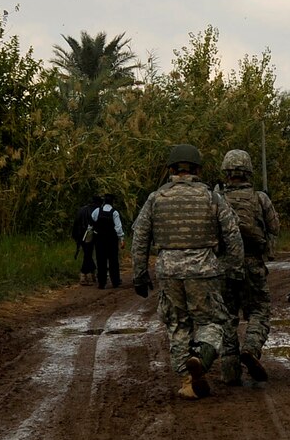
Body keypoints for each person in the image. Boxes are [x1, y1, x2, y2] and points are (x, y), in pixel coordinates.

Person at [130, 144, 242, 399]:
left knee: (177, 324)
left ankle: (187, 380)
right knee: (213, 322)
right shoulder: (211, 197)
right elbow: (232, 234)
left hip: (168, 271)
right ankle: (201, 358)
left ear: (170, 169)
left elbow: (140, 237)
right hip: (203, 270)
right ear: (198, 170)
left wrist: (139, 274)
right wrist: (232, 267)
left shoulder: (156, 198)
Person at [215, 149, 278, 387]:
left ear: (227, 172)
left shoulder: (216, 198)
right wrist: (268, 253)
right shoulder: (260, 198)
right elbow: (274, 227)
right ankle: (251, 348)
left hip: (224, 266)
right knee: (259, 311)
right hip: (252, 264)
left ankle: (230, 370)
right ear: (248, 171)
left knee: (226, 317)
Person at [90, 194, 125, 289]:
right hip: (111, 240)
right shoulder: (114, 212)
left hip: (99, 240)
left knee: (101, 261)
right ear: (112, 202)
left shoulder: (97, 211)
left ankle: (102, 283)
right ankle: (115, 281)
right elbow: (118, 227)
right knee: (113, 261)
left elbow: (92, 220)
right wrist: (121, 239)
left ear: (104, 201)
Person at [72, 196, 99, 285]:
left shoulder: (81, 210)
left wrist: (76, 237)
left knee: (88, 254)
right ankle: (84, 273)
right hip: (90, 235)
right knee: (88, 254)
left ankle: (91, 272)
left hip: (80, 235)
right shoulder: (96, 210)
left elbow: (75, 223)